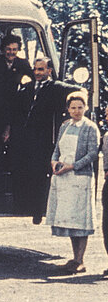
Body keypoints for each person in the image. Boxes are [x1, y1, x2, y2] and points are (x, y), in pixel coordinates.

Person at [10, 58, 77, 223]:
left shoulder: (56, 87)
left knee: (40, 173)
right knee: (24, 171)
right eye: (36, 69)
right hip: (25, 137)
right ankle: (23, 205)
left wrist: (72, 114)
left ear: (49, 71)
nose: (37, 73)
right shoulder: (28, 87)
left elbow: (77, 90)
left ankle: (38, 210)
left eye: (41, 69)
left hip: (42, 137)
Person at [47, 92, 99, 275]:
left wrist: (72, 166)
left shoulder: (91, 128)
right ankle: (74, 258)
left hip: (80, 177)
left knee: (80, 220)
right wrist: (54, 162)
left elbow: (92, 154)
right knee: (69, 218)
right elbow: (56, 149)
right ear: (68, 109)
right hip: (63, 177)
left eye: (80, 107)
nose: (77, 111)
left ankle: (80, 259)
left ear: (85, 108)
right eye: (73, 108)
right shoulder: (64, 126)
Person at [0, 34, 33, 172]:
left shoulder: (23, 64)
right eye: (8, 49)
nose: (11, 52)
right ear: (3, 50)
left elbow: (31, 83)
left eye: (14, 49)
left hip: (16, 106)